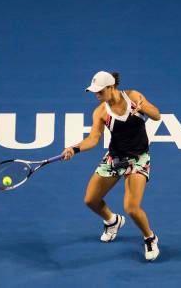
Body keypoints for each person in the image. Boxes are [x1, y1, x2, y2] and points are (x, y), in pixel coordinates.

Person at [61, 71, 161, 261]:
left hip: (138, 159)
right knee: (91, 200)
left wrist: (144, 107)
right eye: (95, 92)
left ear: (111, 87)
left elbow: (157, 116)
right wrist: (74, 149)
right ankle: (113, 221)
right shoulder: (100, 112)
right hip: (115, 158)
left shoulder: (133, 97)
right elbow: (92, 139)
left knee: (131, 208)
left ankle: (150, 237)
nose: (97, 96)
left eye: (100, 91)